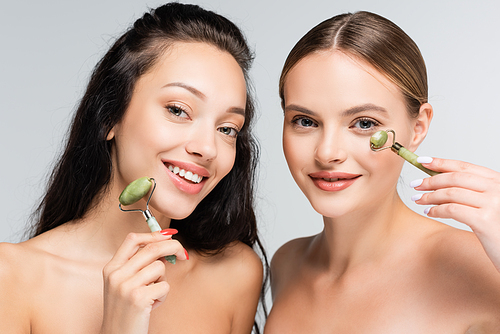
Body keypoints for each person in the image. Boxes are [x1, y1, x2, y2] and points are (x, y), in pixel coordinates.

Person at [0, 3, 267, 333]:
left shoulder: (236, 274)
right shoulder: (12, 278)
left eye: (227, 128)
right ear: (110, 116)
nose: (208, 148)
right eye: (178, 110)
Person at [265, 11, 500, 333]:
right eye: (305, 121)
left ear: (417, 128)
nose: (327, 152)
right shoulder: (287, 264)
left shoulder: (478, 264)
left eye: (364, 124)